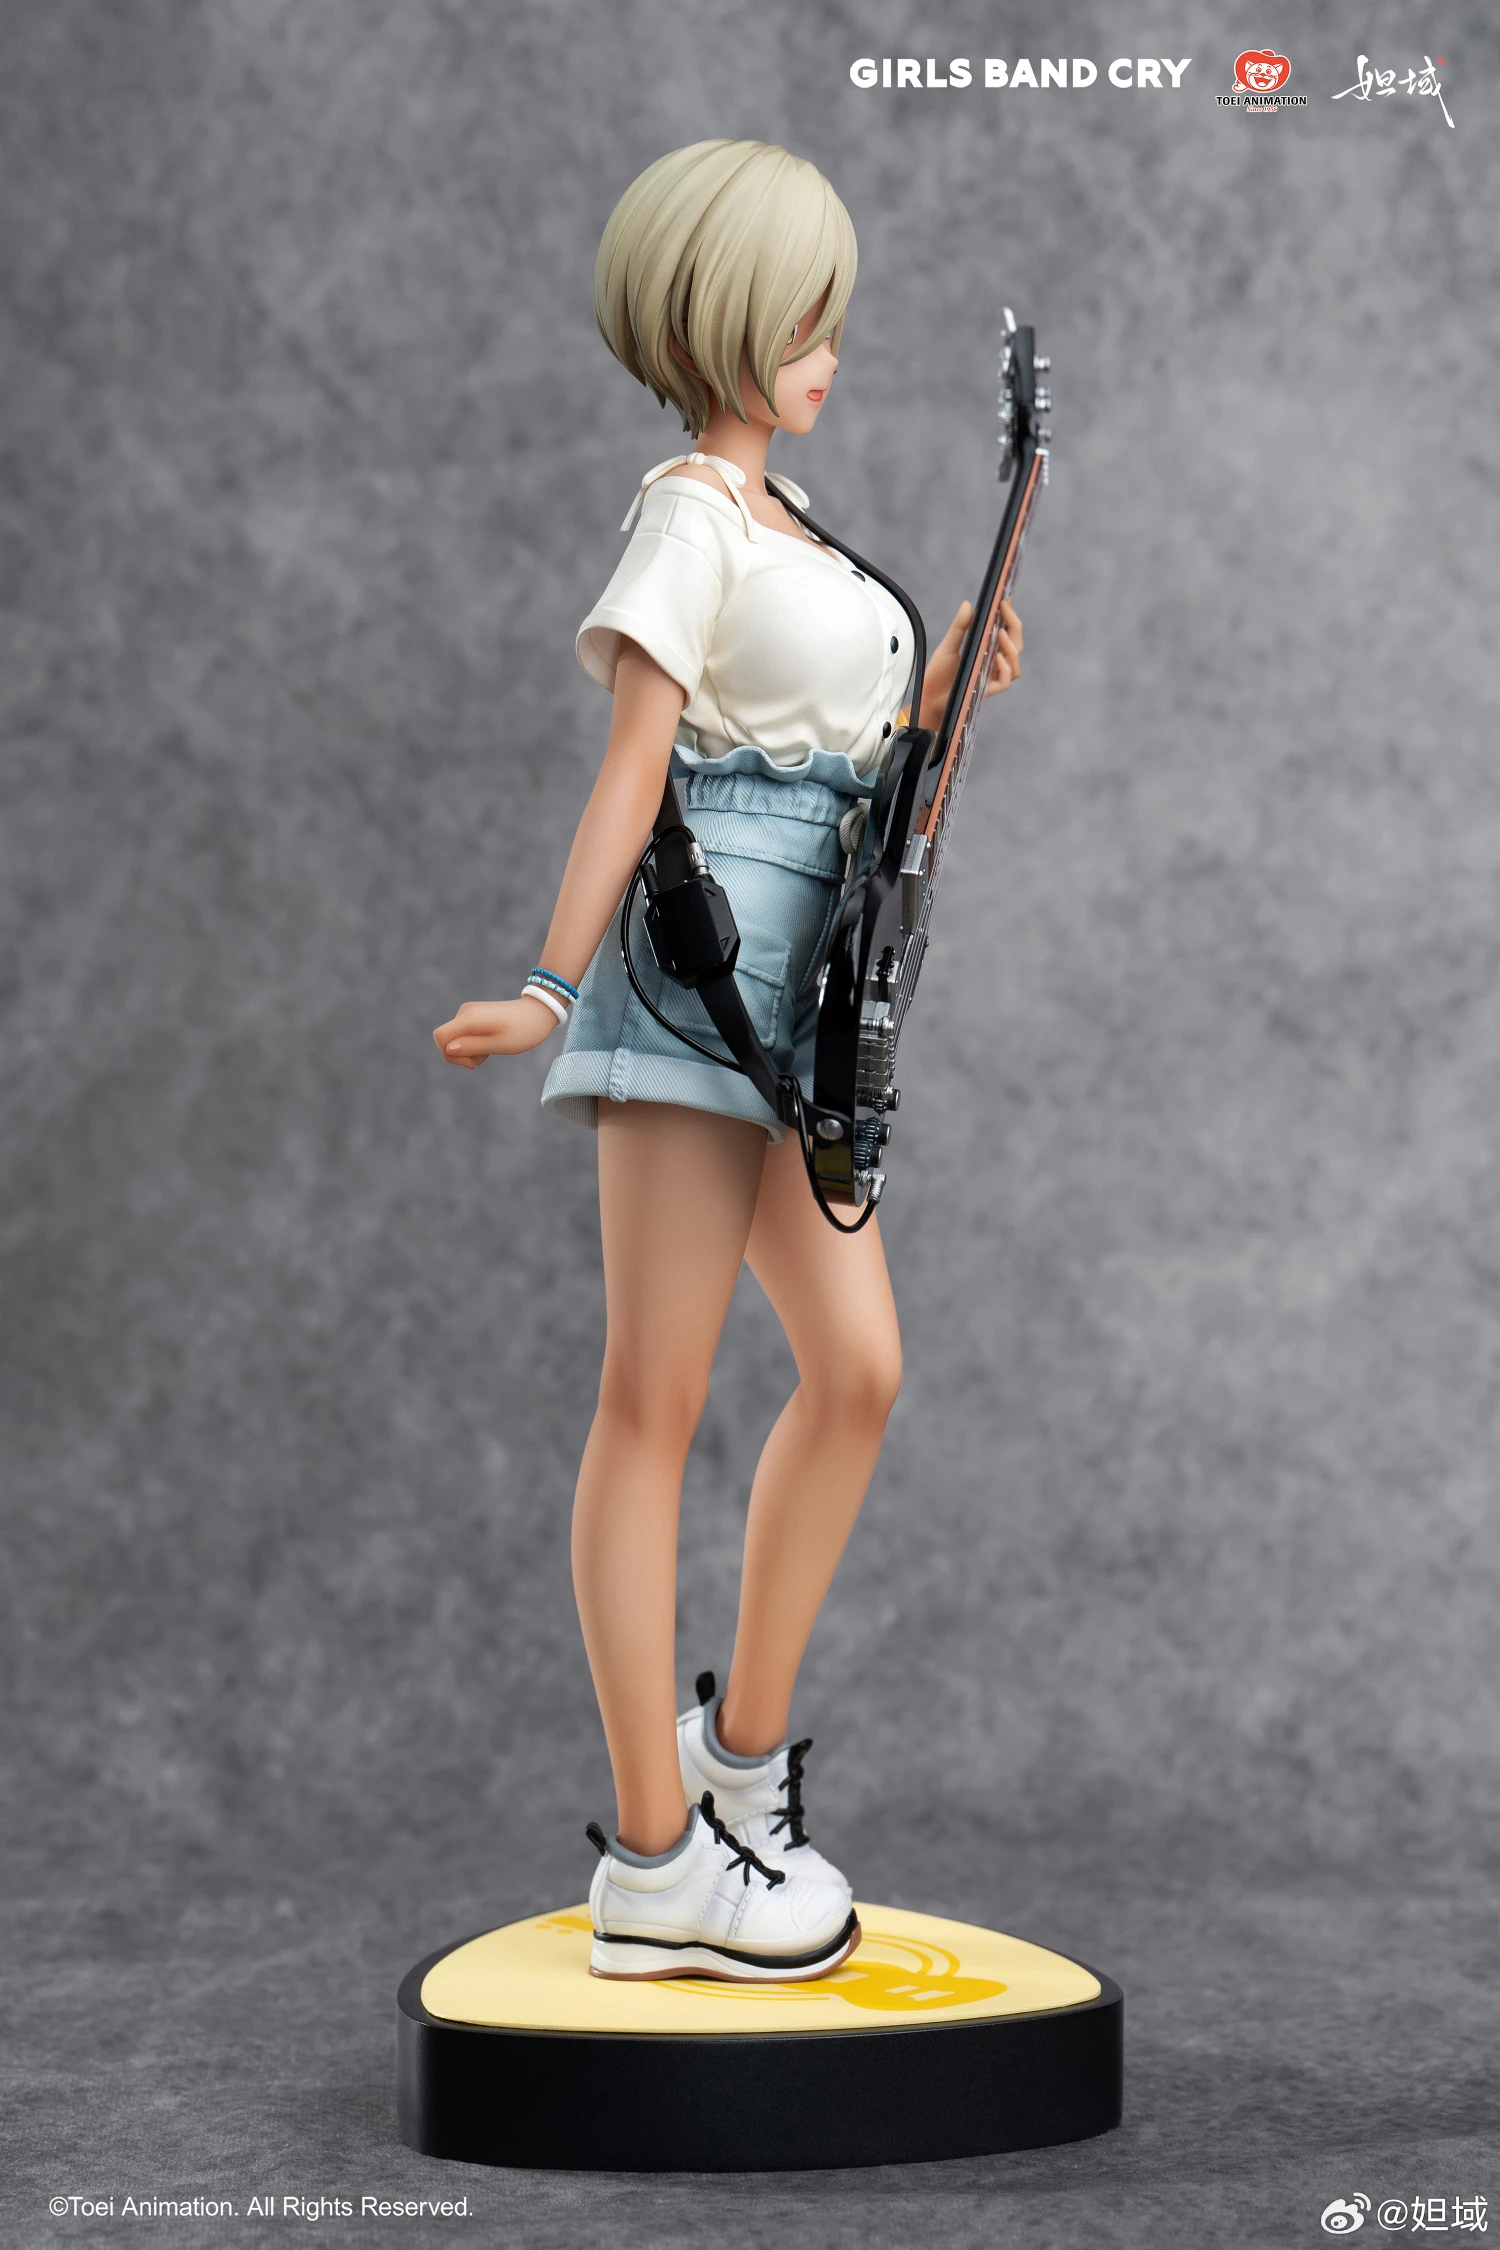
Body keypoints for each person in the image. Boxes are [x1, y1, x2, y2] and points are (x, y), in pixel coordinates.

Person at [433, 140, 1022, 1982]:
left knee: (858, 1369)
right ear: (719, 319)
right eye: (802, 318)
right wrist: (549, 986)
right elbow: (640, 765)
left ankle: (739, 1762)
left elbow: (844, 767)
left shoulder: (795, 524)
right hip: (695, 985)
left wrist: (941, 698)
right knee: (654, 1402)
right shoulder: (690, 514)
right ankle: (654, 1857)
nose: (829, 350)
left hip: (807, 1002)